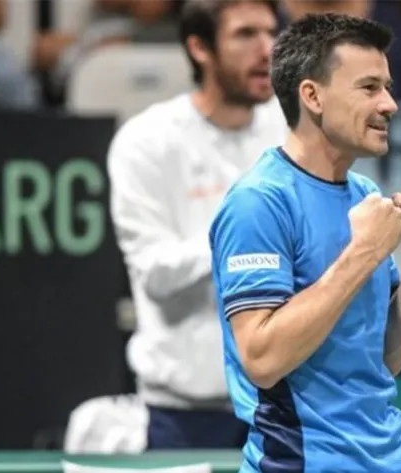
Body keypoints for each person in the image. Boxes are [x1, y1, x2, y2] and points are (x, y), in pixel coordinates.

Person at [209, 13, 401, 472]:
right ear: (312, 96)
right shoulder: (259, 202)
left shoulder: (364, 195)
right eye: (369, 87)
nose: (390, 104)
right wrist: (363, 254)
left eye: (387, 87)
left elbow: (386, 358)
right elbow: (262, 359)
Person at [107, 0, 287, 449]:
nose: (267, 49)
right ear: (200, 48)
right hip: (185, 413)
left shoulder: (292, 129)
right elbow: (154, 273)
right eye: (246, 34)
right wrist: (240, 239)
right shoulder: (145, 141)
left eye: (271, 32)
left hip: (283, 403)